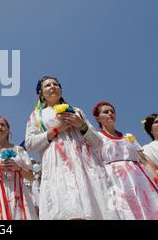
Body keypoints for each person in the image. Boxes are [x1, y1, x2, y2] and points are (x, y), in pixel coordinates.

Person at [25, 76, 113, 220]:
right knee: (69, 210)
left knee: (93, 209)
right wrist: (55, 130)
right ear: (41, 94)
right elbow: (30, 144)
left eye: (55, 84)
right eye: (47, 86)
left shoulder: (77, 111)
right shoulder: (37, 116)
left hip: (85, 166)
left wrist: (82, 125)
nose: (52, 87)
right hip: (58, 166)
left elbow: (98, 143)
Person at [92, 102, 158, 219]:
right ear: (98, 117)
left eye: (112, 111)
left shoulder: (128, 137)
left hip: (142, 183)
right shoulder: (97, 138)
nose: (110, 114)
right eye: (106, 112)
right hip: (116, 185)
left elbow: (145, 162)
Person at [0, 116, 36, 220]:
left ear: (8, 129)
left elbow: (31, 177)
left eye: (3, 125)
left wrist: (18, 168)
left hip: (20, 194)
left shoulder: (19, 150)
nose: (0, 127)